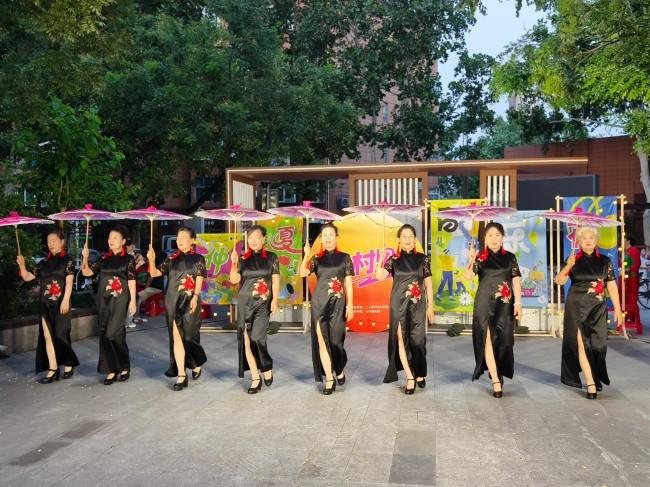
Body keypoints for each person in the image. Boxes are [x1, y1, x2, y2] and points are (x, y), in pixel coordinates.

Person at [555, 226, 624, 399]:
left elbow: (611, 286)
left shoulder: (605, 261)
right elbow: (559, 281)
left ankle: (594, 375)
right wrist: (568, 266)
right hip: (576, 306)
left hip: (597, 308)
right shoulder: (572, 259)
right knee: (581, 344)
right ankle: (590, 382)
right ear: (578, 241)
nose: (587, 240)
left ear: (596, 240)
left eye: (591, 237)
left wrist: (617, 308)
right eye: (584, 237)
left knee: (598, 346)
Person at [375, 224, 434, 395]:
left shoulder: (423, 259)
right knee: (401, 339)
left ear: (415, 239)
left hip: (418, 304)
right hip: (398, 304)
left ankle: (419, 372)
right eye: (404, 236)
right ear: (399, 240)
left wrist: (431, 306)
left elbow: (428, 284)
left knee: (418, 341)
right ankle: (410, 377)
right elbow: (379, 276)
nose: (407, 239)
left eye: (410, 236)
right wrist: (380, 259)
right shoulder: (393, 259)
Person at [465, 222, 522, 398]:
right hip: (484, 303)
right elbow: (468, 277)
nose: (494, 238)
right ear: (485, 239)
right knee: (487, 338)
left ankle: (498, 371)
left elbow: (516, 280)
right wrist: (471, 260)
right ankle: (496, 380)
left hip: (504, 304)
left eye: (497, 235)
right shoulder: (480, 258)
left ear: (502, 238)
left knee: (505, 341)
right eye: (490, 235)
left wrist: (518, 303)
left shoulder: (510, 257)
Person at [148, 226, 207, 391]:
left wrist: (195, 296)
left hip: (190, 300)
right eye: (178, 237)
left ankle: (195, 362)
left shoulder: (198, 259)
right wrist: (151, 260)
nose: (180, 240)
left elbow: (199, 278)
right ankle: (181, 374)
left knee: (189, 337)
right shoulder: (171, 259)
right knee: (177, 337)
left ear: (192, 240)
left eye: (183, 237)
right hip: (172, 300)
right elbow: (155, 273)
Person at [17, 228, 80, 383]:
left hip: (61, 303)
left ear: (62, 242)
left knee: (60, 335)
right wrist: (22, 265)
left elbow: (69, 283)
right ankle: (53, 368)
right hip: (45, 304)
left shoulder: (68, 261)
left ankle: (69, 362)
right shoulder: (43, 263)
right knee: (47, 336)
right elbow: (28, 277)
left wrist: (66, 300)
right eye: (48, 241)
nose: (50, 244)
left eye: (54, 241)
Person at [299, 223, 354, 395]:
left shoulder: (345, 258)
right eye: (324, 235)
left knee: (336, 342)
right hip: (319, 303)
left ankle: (339, 368)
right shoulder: (316, 258)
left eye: (331, 234)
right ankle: (330, 379)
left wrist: (350, 305)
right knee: (322, 341)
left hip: (338, 303)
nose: (328, 238)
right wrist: (306, 256)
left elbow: (348, 284)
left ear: (336, 237)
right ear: (321, 239)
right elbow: (302, 273)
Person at [81, 225, 136, 385]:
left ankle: (123, 365)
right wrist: (84, 258)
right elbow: (87, 273)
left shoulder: (128, 259)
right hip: (103, 300)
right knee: (105, 333)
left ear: (123, 241)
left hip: (120, 299)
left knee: (114, 333)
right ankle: (111, 369)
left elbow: (131, 280)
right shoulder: (103, 259)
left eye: (115, 238)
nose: (111, 241)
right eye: (110, 238)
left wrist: (133, 300)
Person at [229, 225, 280, 394]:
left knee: (257, 338)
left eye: (257, 237)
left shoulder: (272, 257)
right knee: (246, 341)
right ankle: (255, 378)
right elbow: (234, 279)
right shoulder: (243, 258)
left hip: (262, 304)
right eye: (250, 238)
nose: (253, 241)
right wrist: (234, 263)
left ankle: (266, 366)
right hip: (245, 304)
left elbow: (275, 280)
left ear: (263, 239)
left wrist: (275, 300)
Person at [621, 236, 642, 334]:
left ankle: (635, 321)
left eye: (624, 239)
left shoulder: (634, 250)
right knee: (624, 300)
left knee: (632, 300)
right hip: (624, 279)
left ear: (628, 241)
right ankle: (627, 319)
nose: (622, 241)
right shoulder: (624, 251)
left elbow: (636, 264)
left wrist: (628, 270)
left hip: (632, 279)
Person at [125, 240, 147, 327]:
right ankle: (128, 321)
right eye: (132, 246)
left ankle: (133, 318)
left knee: (136, 299)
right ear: (127, 246)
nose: (133, 248)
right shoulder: (128, 256)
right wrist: (139, 263)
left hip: (132, 281)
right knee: (133, 300)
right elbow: (131, 270)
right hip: (128, 282)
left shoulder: (131, 255)